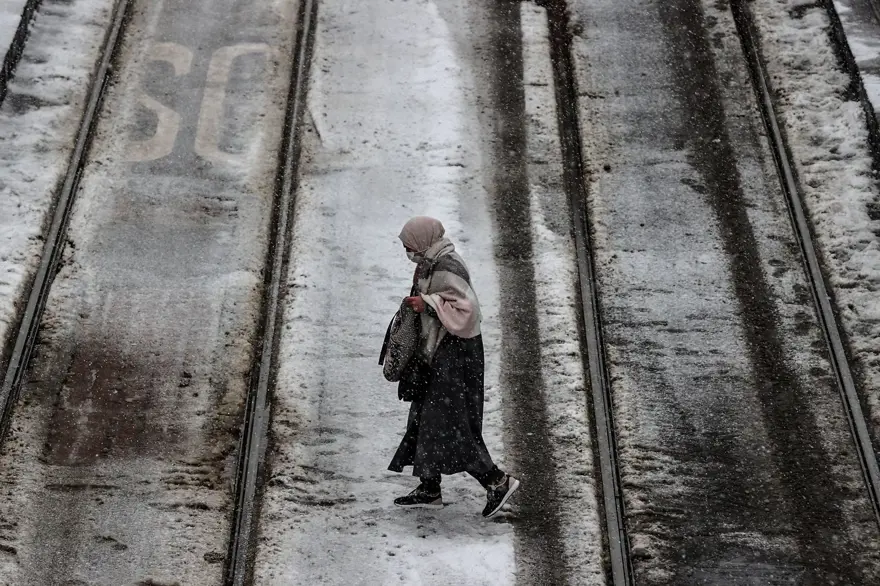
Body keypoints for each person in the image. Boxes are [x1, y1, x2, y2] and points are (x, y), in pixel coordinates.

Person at [388, 216, 520, 518]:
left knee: (450, 422)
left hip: (457, 355)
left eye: (410, 244)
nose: (408, 251)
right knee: (423, 416)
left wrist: (429, 304)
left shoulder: (448, 265)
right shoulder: (428, 263)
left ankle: (497, 481)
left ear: (423, 240)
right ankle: (429, 486)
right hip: (437, 352)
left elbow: (469, 310)